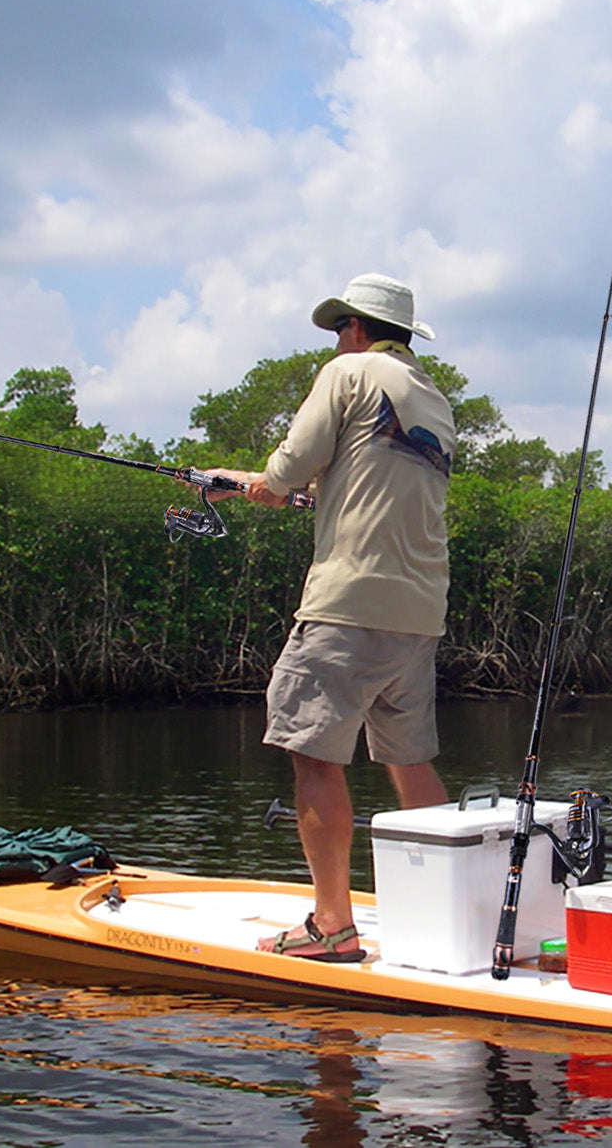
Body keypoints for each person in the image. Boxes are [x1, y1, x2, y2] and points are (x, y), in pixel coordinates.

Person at [207, 272, 456, 962]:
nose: (335, 339)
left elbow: (289, 470)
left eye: (338, 328)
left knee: (312, 752)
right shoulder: (433, 399)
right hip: (418, 611)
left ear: (355, 328)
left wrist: (260, 485)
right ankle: (450, 909)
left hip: (348, 604)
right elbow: (355, 486)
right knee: (410, 761)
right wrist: (251, 485)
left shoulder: (346, 373)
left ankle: (332, 925)